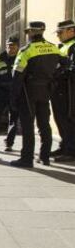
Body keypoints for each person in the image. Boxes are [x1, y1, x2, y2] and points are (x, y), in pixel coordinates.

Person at [10, 22, 65, 167]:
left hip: (28, 92)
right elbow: (65, 65)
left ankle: (27, 159)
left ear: (31, 33)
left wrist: (13, 97)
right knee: (44, 124)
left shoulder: (26, 50)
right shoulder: (54, 48)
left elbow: (17, 75)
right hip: (46, 90)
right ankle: (44, 156)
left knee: (28, 126)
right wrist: (52, 78)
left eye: (28, 32)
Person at [0, 37, 20, 151]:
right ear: (6, 46)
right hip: (0, 94)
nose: (11, 48)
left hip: (15, 94)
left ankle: (9, 142)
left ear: (17, 47)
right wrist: (2, 84)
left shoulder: (20, 59)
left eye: (13, 45)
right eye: (9, 45)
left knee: (14, 120)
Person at [51, 20, 75, 162]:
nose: (58, 35)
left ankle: (71, 150)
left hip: (69, 89)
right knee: (59, 118)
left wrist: (56, 74)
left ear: (71, 31)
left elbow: (72, 69)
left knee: (68, 119)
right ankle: (64, 145)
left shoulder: (73, 46)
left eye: (60, 32)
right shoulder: (62, 46)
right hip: (58, 88)